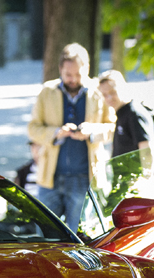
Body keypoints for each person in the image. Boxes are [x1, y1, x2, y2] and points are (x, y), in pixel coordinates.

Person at [27, 43, 115, 233]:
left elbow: (113, 127)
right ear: (60, 69)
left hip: (84, 178)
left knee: (79, 238)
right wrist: (56, 133)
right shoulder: (47, 92)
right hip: (50, 177)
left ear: (88, 69)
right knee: (44, 236)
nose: (73, 79)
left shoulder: (98, 92)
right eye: (68, 75)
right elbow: (32, 129)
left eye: (78, 75)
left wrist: (91, 131)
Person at [98, 70, 154, 163]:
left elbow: (146, 151)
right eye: (104, 95)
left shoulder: (134, 114)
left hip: (136, 176)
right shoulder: (120, 113)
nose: (109, 98)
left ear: (122, 88)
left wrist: (146, 176)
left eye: (112, 92)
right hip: (122, 176)